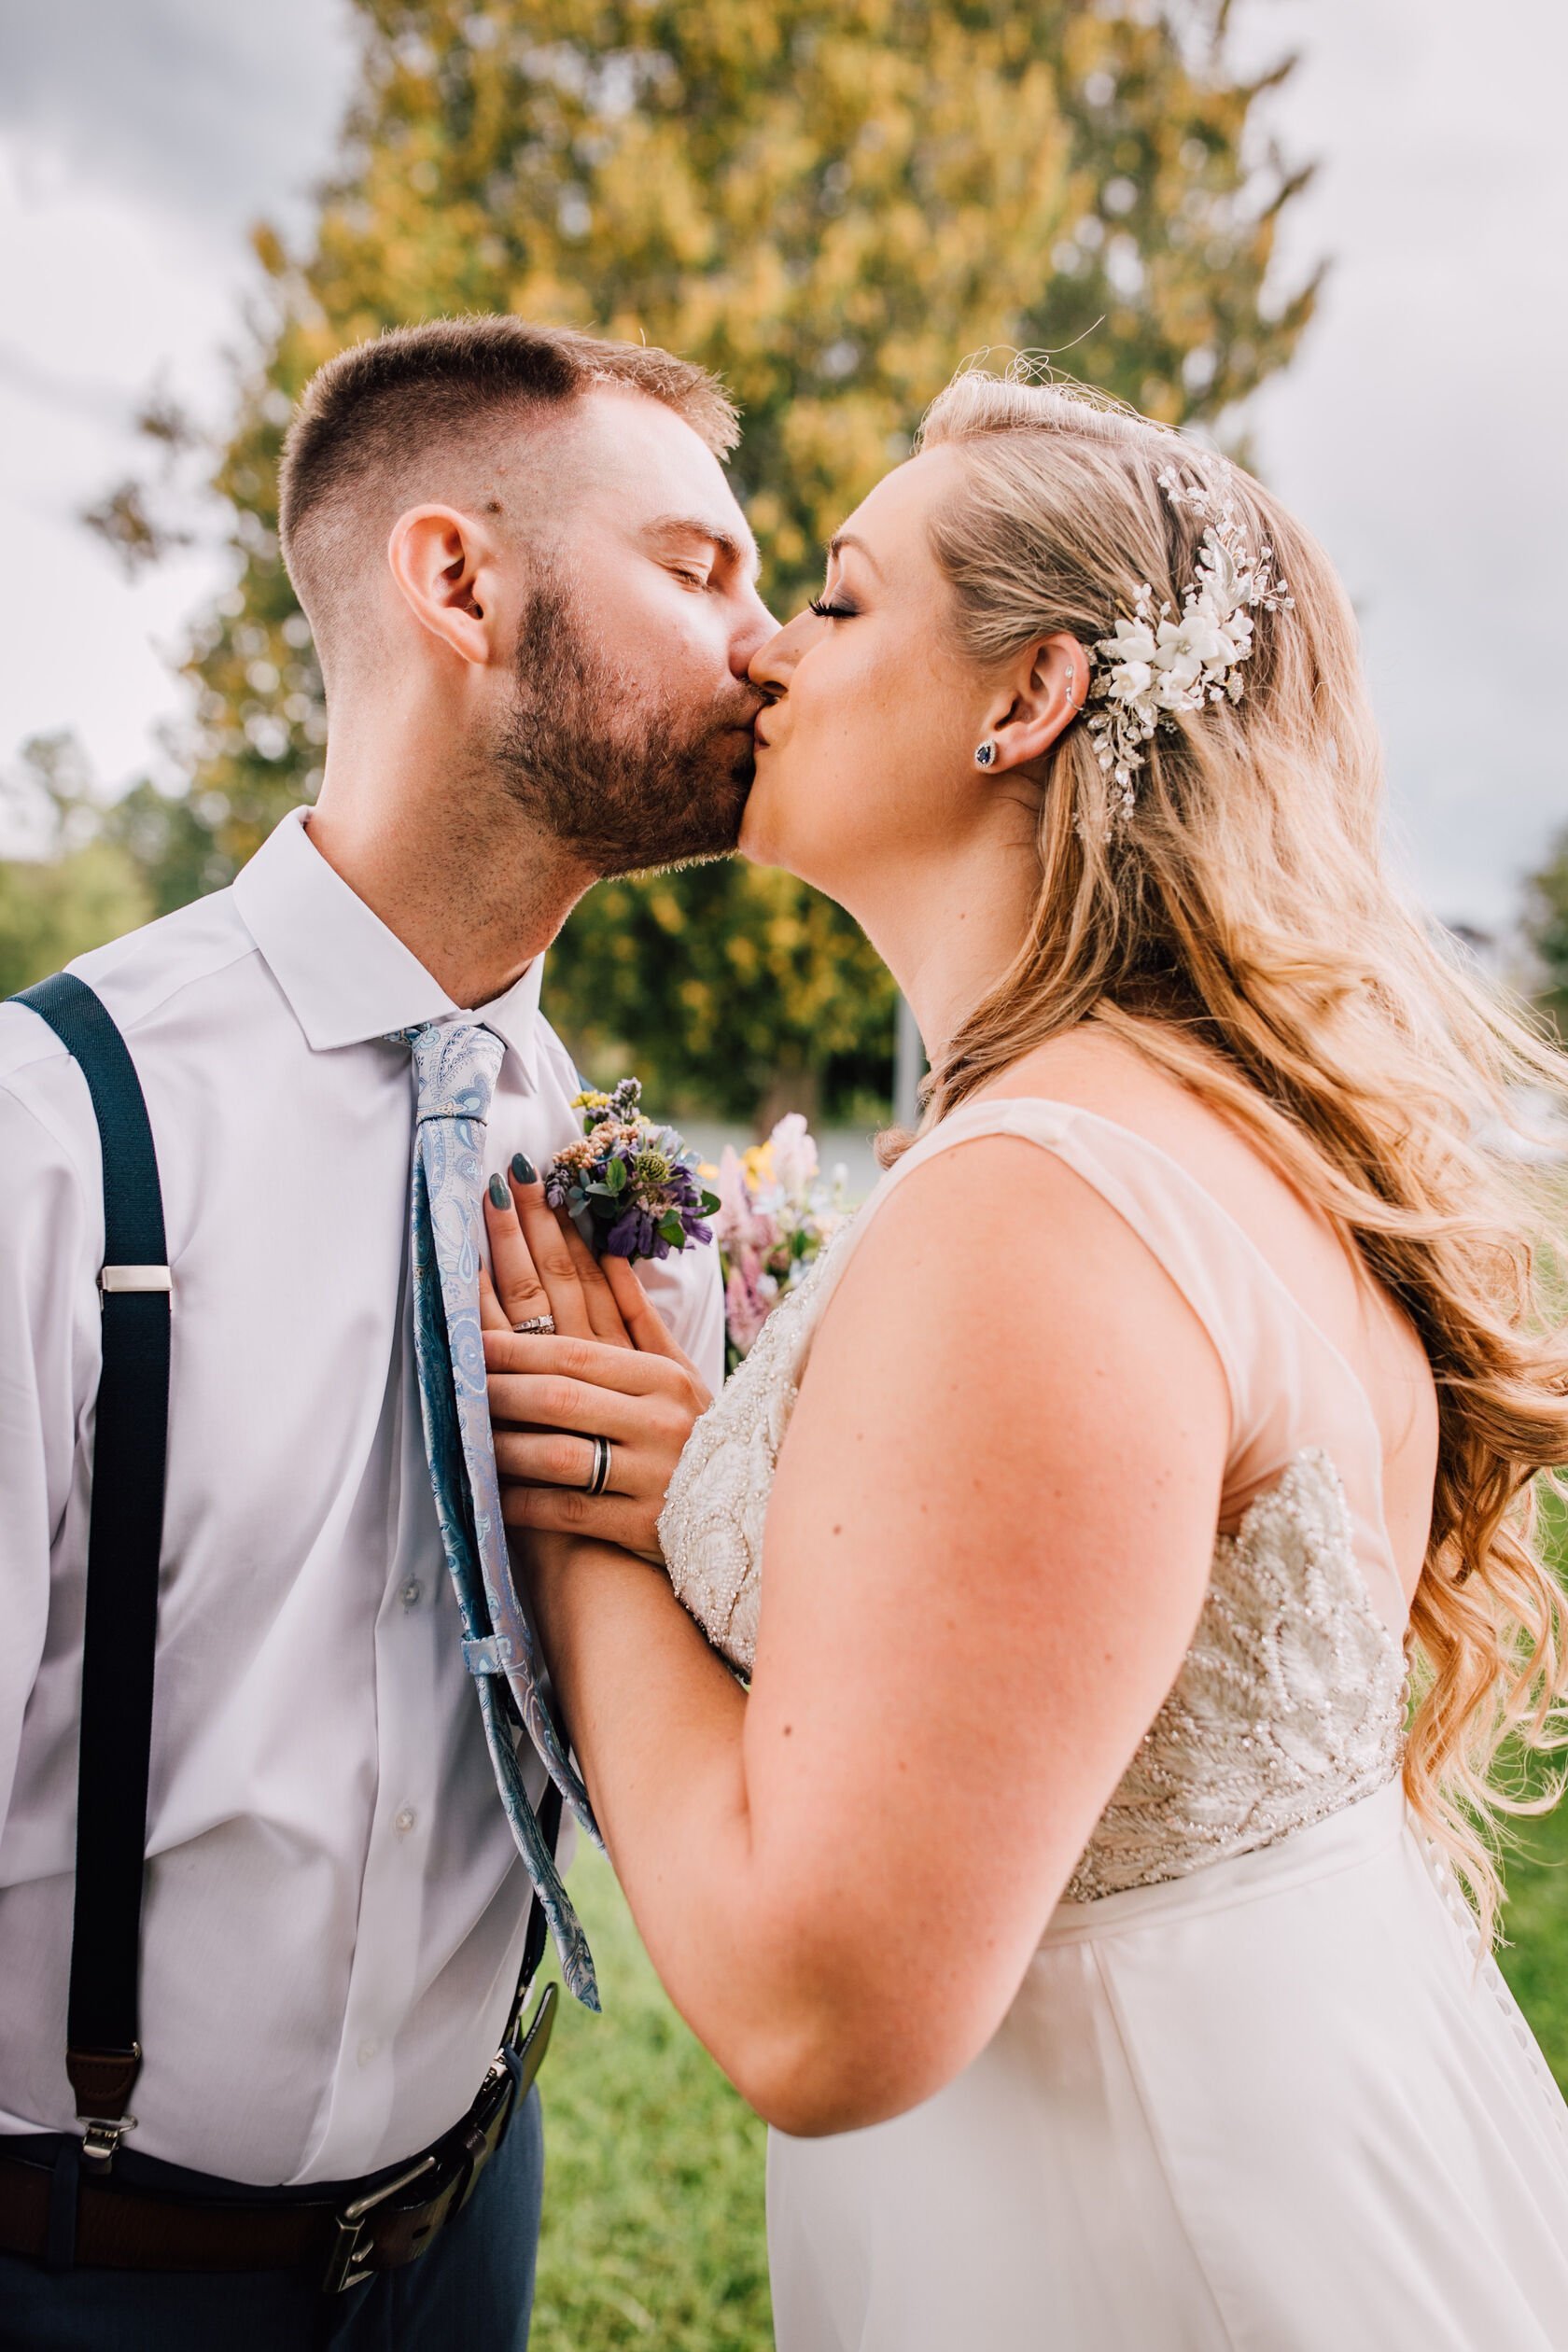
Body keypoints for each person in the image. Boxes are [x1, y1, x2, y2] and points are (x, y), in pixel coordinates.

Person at [482, 366, 1568, 2348]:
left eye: (835, 594)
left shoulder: (1044, 1197)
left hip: (1143, 2231)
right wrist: (723, 1484)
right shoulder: (1224, 1129)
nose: (765, 648)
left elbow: (823, 2014)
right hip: (1304, 2116)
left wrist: (584, 1547)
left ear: (1027, 698)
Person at [0, 315, 771, 2346]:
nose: (771, 647)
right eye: (701, 570)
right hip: (83, 2273)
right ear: (457, 582)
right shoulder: (55, 1130)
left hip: (470, 2220)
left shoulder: (603, 1167)